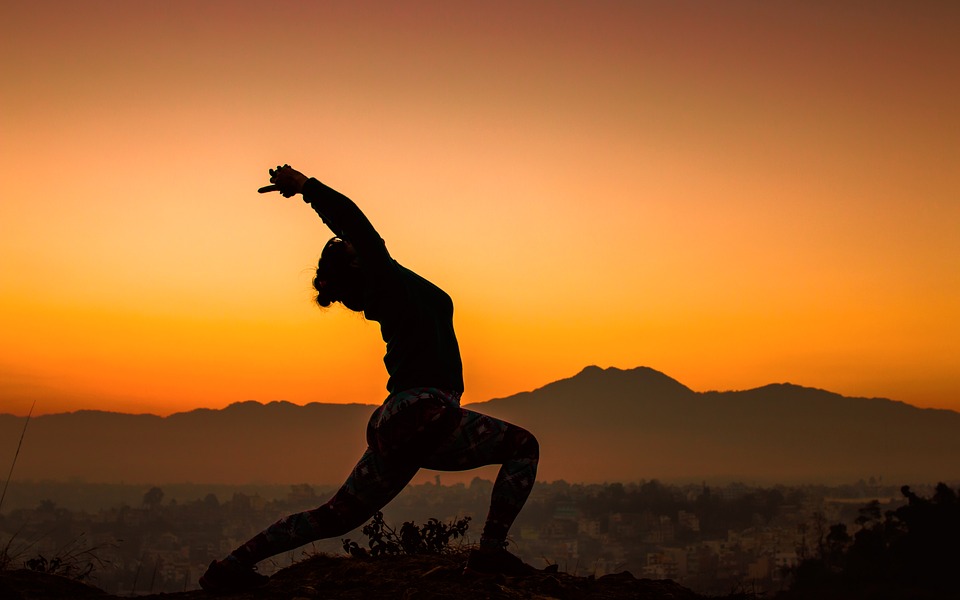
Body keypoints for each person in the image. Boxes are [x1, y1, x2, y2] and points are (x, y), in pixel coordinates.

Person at [199, 165, 540, 592]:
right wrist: (306, 187)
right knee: (523, 446)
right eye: (353, 246)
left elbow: (364, 238)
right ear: (357, 260)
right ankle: (490, 553)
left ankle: (230, 567)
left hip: (399, 419)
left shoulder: (391, 284)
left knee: (336, 516)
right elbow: (355, 222)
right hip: (421, 412)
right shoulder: (385, 282)